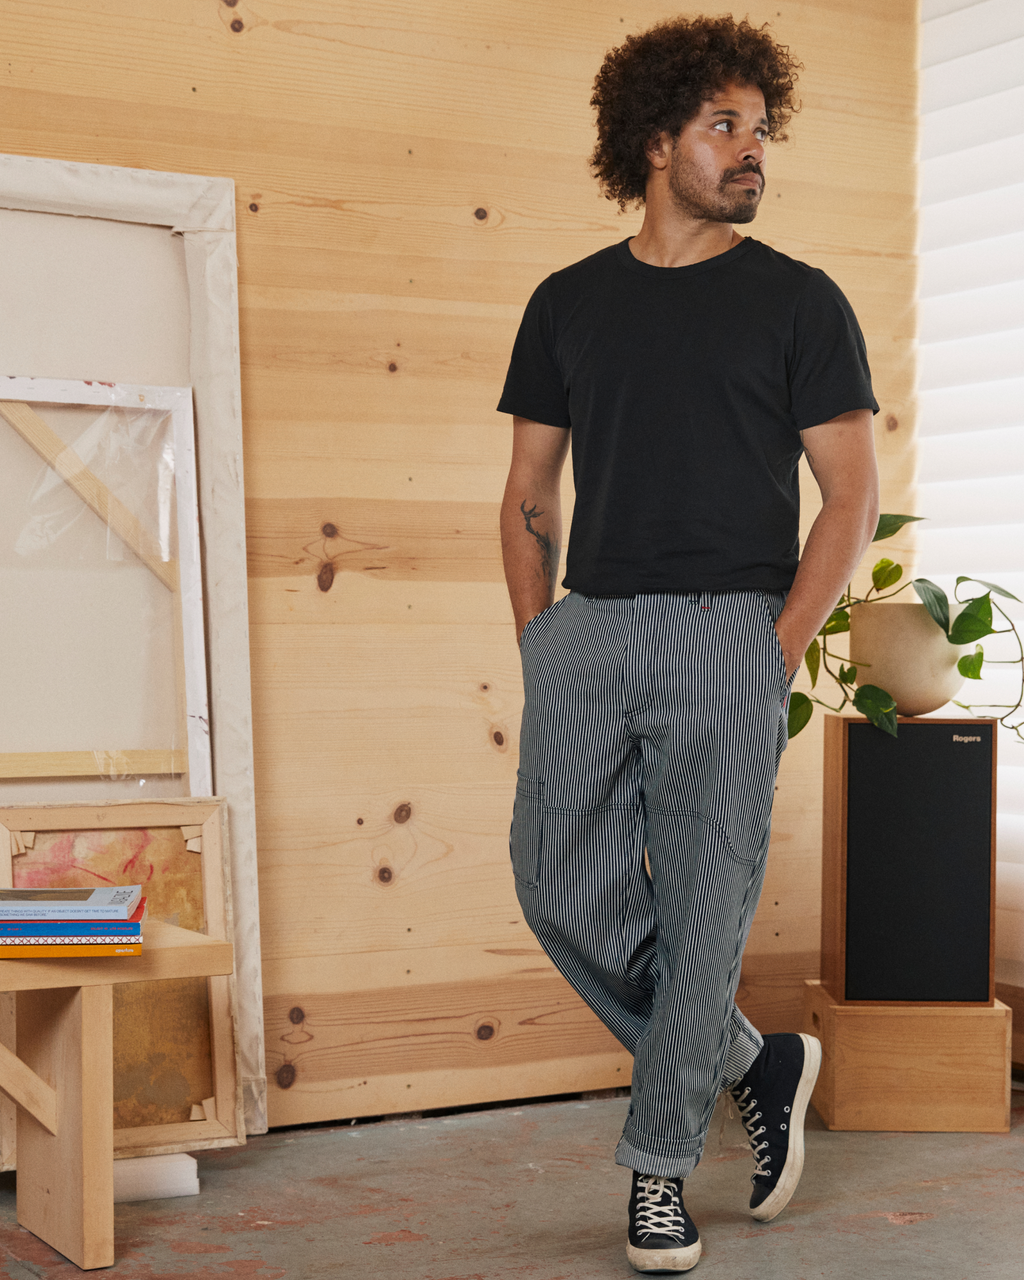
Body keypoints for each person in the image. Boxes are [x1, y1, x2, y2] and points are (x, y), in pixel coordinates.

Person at [496, 14, 880, 1275]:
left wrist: (777, 646)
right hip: (588, 628)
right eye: (724, 126)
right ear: (655, 141)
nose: (751, 149)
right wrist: (539, 638)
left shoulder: (799, 302)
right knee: (556, 883)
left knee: (703, 910)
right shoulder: (566, 302)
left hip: (729, 631)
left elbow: (851, 496)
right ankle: (752, 1059)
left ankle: (657, 1175)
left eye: (760, 128)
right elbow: (528, 491)